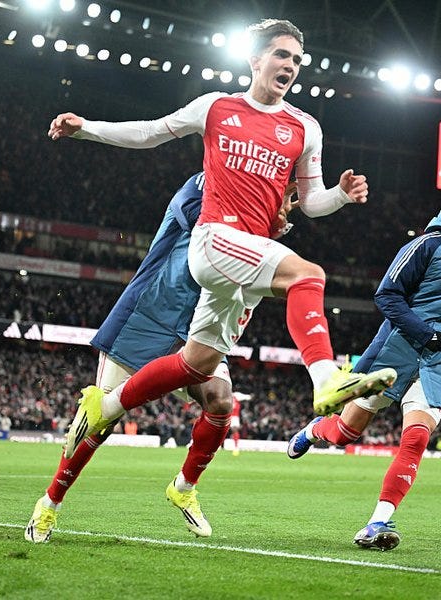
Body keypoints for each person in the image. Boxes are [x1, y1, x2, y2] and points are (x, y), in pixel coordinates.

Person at [48, 18, 396, 459]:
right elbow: (150, 132)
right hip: (215, 239)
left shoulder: (306, 128)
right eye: (282, 54)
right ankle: (326, 377)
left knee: (199, 368)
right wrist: (87, 127)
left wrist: (341, 196)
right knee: (308, 275)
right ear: (256, 60)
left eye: (297, 59)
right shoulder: (215, 106)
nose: (290, 65)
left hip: (243, 260)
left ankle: (110, 423)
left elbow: (310, 203)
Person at [26, 172, 290, 543]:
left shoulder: (252, 203)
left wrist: (269, 225)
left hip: (197, 323)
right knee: (101, 421)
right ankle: (50, 503)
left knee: (220, 401)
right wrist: (258, 221)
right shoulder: (204, 182)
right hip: (147, 315)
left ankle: (183, 487)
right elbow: (197, 218)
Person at [287, 176, 441, 551]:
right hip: (394, 353)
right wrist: (424, 333)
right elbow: (387, 295)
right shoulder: (427, 244)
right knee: (346, 432)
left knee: (417, 437)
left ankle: (378, 521)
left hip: (439, 363)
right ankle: (315, 431)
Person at [229, 391, 252, 456]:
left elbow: (248, 397)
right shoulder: (223, 395)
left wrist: (250, 396)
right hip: (225, 415)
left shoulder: (236, 395)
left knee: (234, 430)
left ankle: (236, 447)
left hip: (234, 416)